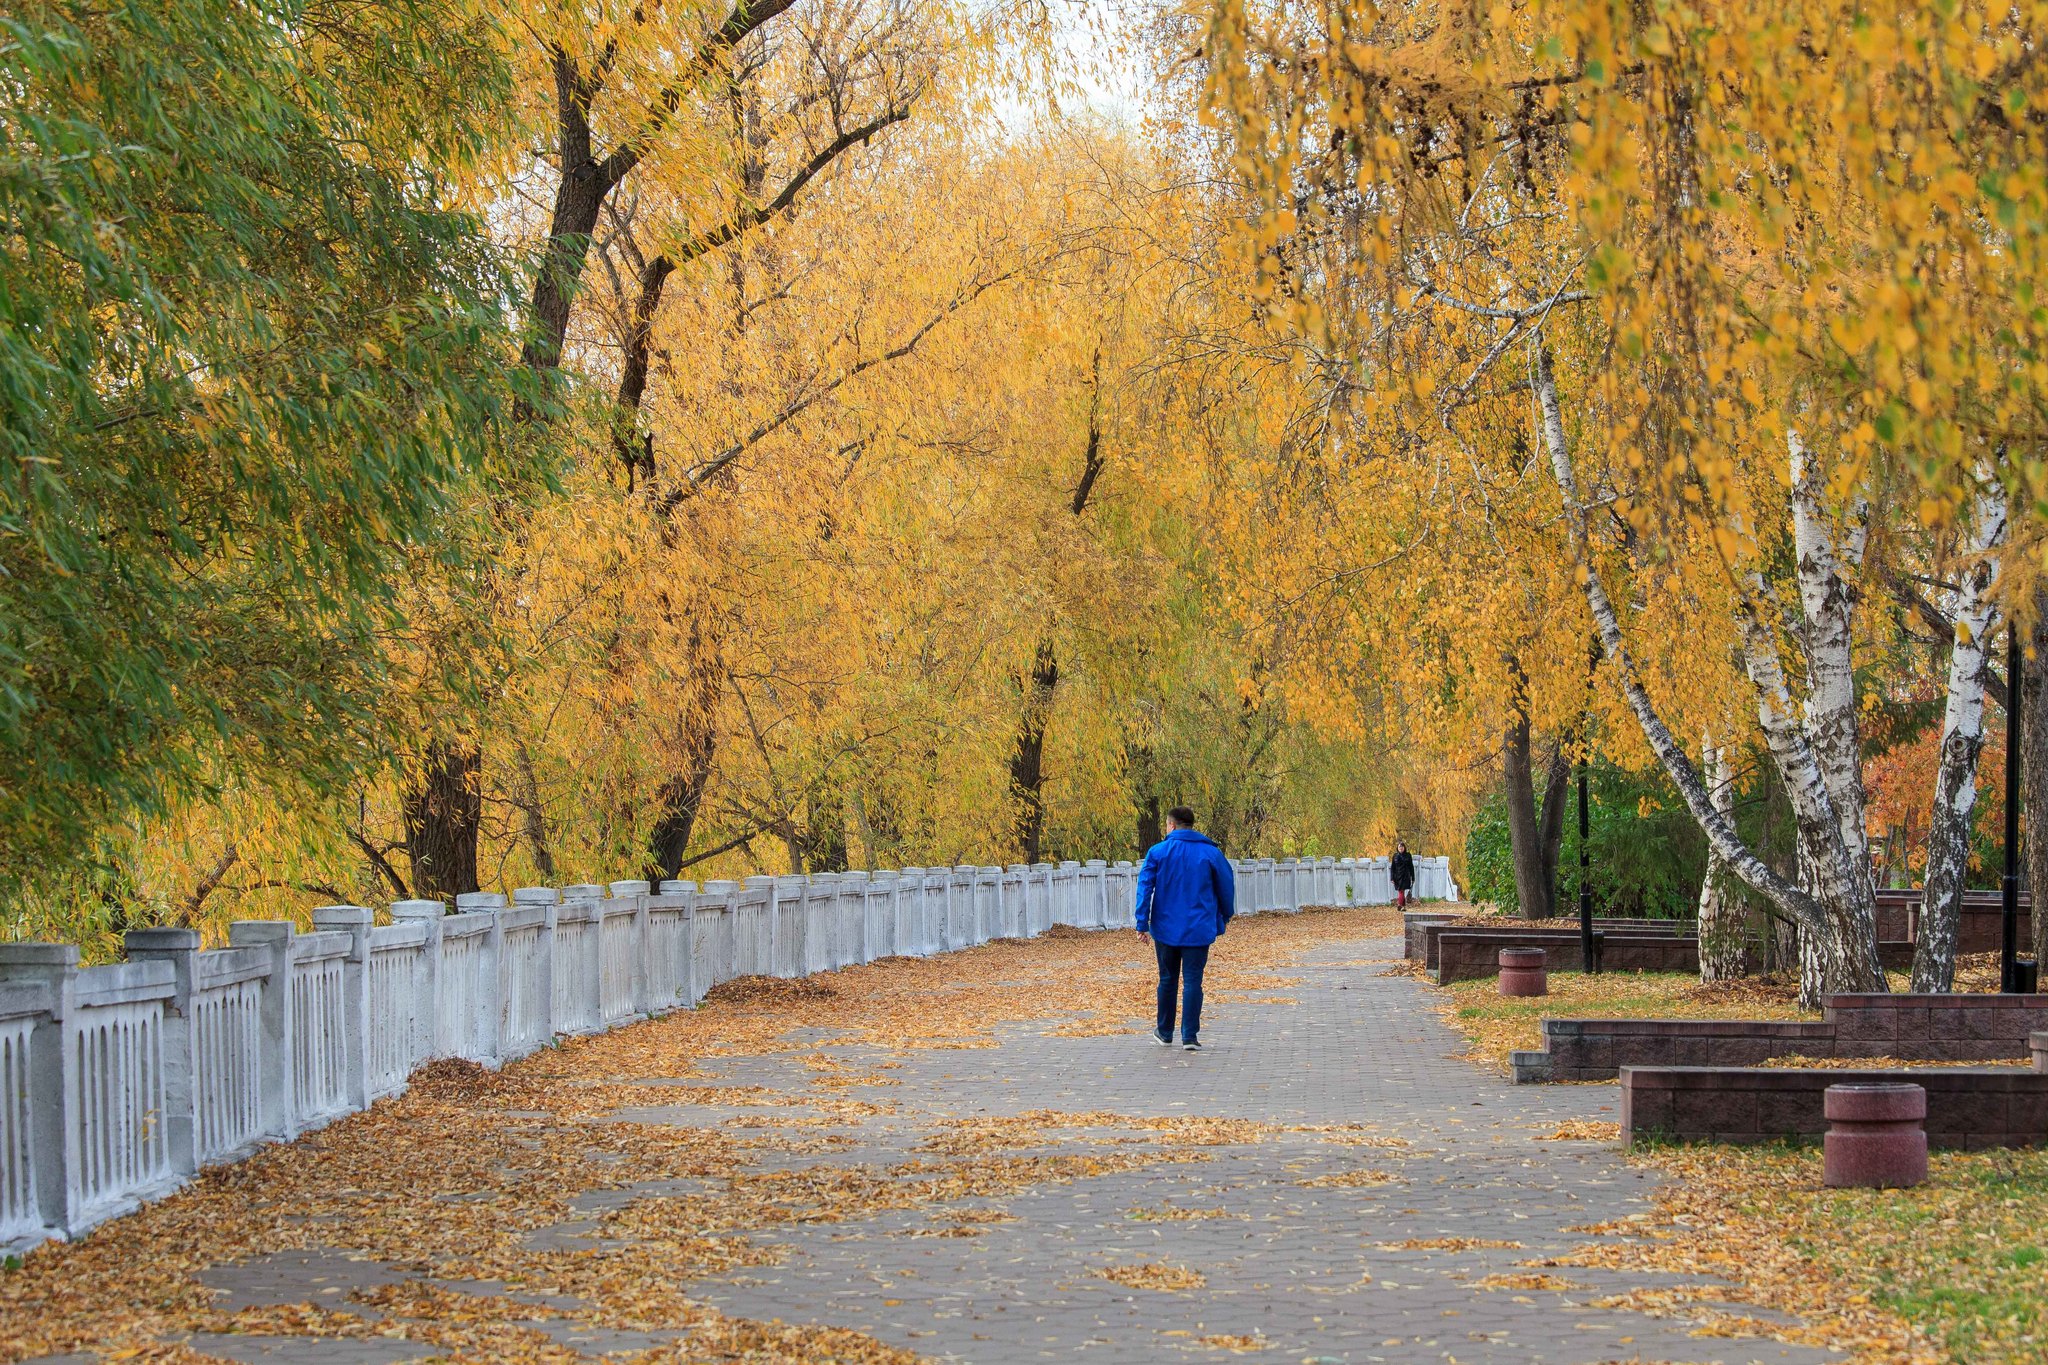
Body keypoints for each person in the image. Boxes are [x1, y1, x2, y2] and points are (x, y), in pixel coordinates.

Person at [1134, 806, 1235, 1051]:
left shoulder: (1158, 852)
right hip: (1198, 928)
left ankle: (1165, 1032)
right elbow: (1226, 885)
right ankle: (1190, 1036)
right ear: (1191, 825)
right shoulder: (1210, 853)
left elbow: (1144, 887)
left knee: (1167, 978)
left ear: (1171, 825)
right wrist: (1224, 916)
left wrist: (1141, 923)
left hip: (1165, 928)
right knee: (1193, 981)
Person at [1390, 840, 1416, 909]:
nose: (1401, 848)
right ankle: (1404, 907)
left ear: (1404, 848)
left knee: (1401, 891)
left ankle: (1399, 904)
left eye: (1402, 847)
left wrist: (1413, 878)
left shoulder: (1408, 855)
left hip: (1405, 876)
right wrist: (1392, 878)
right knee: (1401, 891)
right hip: (1397, 877)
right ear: (1397, 848)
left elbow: (1411, 867)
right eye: (1399, 847)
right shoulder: (1395, 856)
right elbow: (1392, 867)